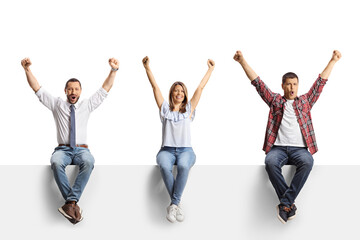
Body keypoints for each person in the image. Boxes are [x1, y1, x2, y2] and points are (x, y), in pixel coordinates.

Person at [233, 50, 341, 224]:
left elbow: (320, 83)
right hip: (279, 148)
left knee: (308, 162)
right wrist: (242, 61)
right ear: (283, 85)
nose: (292, 88)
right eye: (289, 84)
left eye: (295, 84)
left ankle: (285, 204)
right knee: (270, 162)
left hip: (300, 149)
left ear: (298, 86)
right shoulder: (275, 101)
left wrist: (333, 60)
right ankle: (288, 204)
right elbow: (258, 83)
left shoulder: (305, 102)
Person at [21, 57, 119, 224]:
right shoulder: (57, 104)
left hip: (82, 149)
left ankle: (70, 203)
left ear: (80, 91)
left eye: (76, 89)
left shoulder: (87, 105)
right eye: (70, 89)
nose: (73, 92)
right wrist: (27, 70)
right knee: (56, 163)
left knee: (89, 162)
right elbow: (36, 88)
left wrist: (113, 70)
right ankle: (72, 204)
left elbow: (105, 89)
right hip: (63, 150)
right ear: (65, 91)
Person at [142, 56, 215, 223]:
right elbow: (155, 87)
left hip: (185, 151)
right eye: (176, 90)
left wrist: (210, 69)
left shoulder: (189, 109)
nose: (179, 93)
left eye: (182, 91)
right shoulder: (165, 109)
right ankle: (177, 204)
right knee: (164, 166)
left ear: (185, 95)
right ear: (172, 93)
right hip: (166, 150)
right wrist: (147, 68)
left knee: (183, 166)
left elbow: (200, 88)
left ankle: (173, 204)